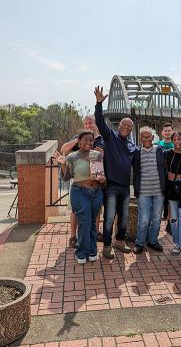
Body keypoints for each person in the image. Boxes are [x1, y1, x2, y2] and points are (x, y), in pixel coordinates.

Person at [94, 86, 137, 259]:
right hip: (111, 185)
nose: (126, 126)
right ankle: (106, 245)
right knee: (110, 217)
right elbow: (99, 122)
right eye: (124, 124)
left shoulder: (133, 146)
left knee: (124, 218)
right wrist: (98, 104)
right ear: (118, 126)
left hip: (125, 187)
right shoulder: (110, 137)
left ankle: (119, 241)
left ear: (131, 129)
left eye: (129, 125)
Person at [53, 130, 105, 264]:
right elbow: (66, 177)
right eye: (85, 140)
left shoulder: (97, 155)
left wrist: (102, 179)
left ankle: (93, 251)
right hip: (80, 193)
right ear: (79, 141)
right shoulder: (72, 156)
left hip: (96, 193)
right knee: (84, 222)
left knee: (93, 223)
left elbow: (103, 178)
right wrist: (63, 164)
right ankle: (82, 253)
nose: (88, 142)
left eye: (91, 140)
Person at [61, 115, 105, 247]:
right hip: (78, 182)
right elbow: (63, 150)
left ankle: (95, 233)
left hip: (96, 181)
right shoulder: (78, 137)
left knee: (96, 210)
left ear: (96, 124)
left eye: (90, 123)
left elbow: (105, 158)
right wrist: (77, 140)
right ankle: (73, 237)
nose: (88, 125)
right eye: (85, 124)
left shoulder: (102, 140)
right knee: (76, 210)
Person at [132, 126, 166, 254]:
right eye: (143, 137)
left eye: (148, 137)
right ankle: (139, 242)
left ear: (153, 137)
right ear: (140, 138)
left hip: (158, 191)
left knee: (157, 218)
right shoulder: (136, 152)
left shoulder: (159, 150)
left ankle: (152, 241)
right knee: (144, 219)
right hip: (143, 192)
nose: (146, 139)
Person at [157, 123, 175, 235]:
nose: (167, 132)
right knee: (160, 202)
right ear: (162, 133)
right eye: (165, 131)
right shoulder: (158, 145)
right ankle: (156, 225)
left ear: (172, 132)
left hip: (172, 178)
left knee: (170, 202)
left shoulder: (176, 144)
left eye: (169, 131)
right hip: (159, 178)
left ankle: (169, 224)